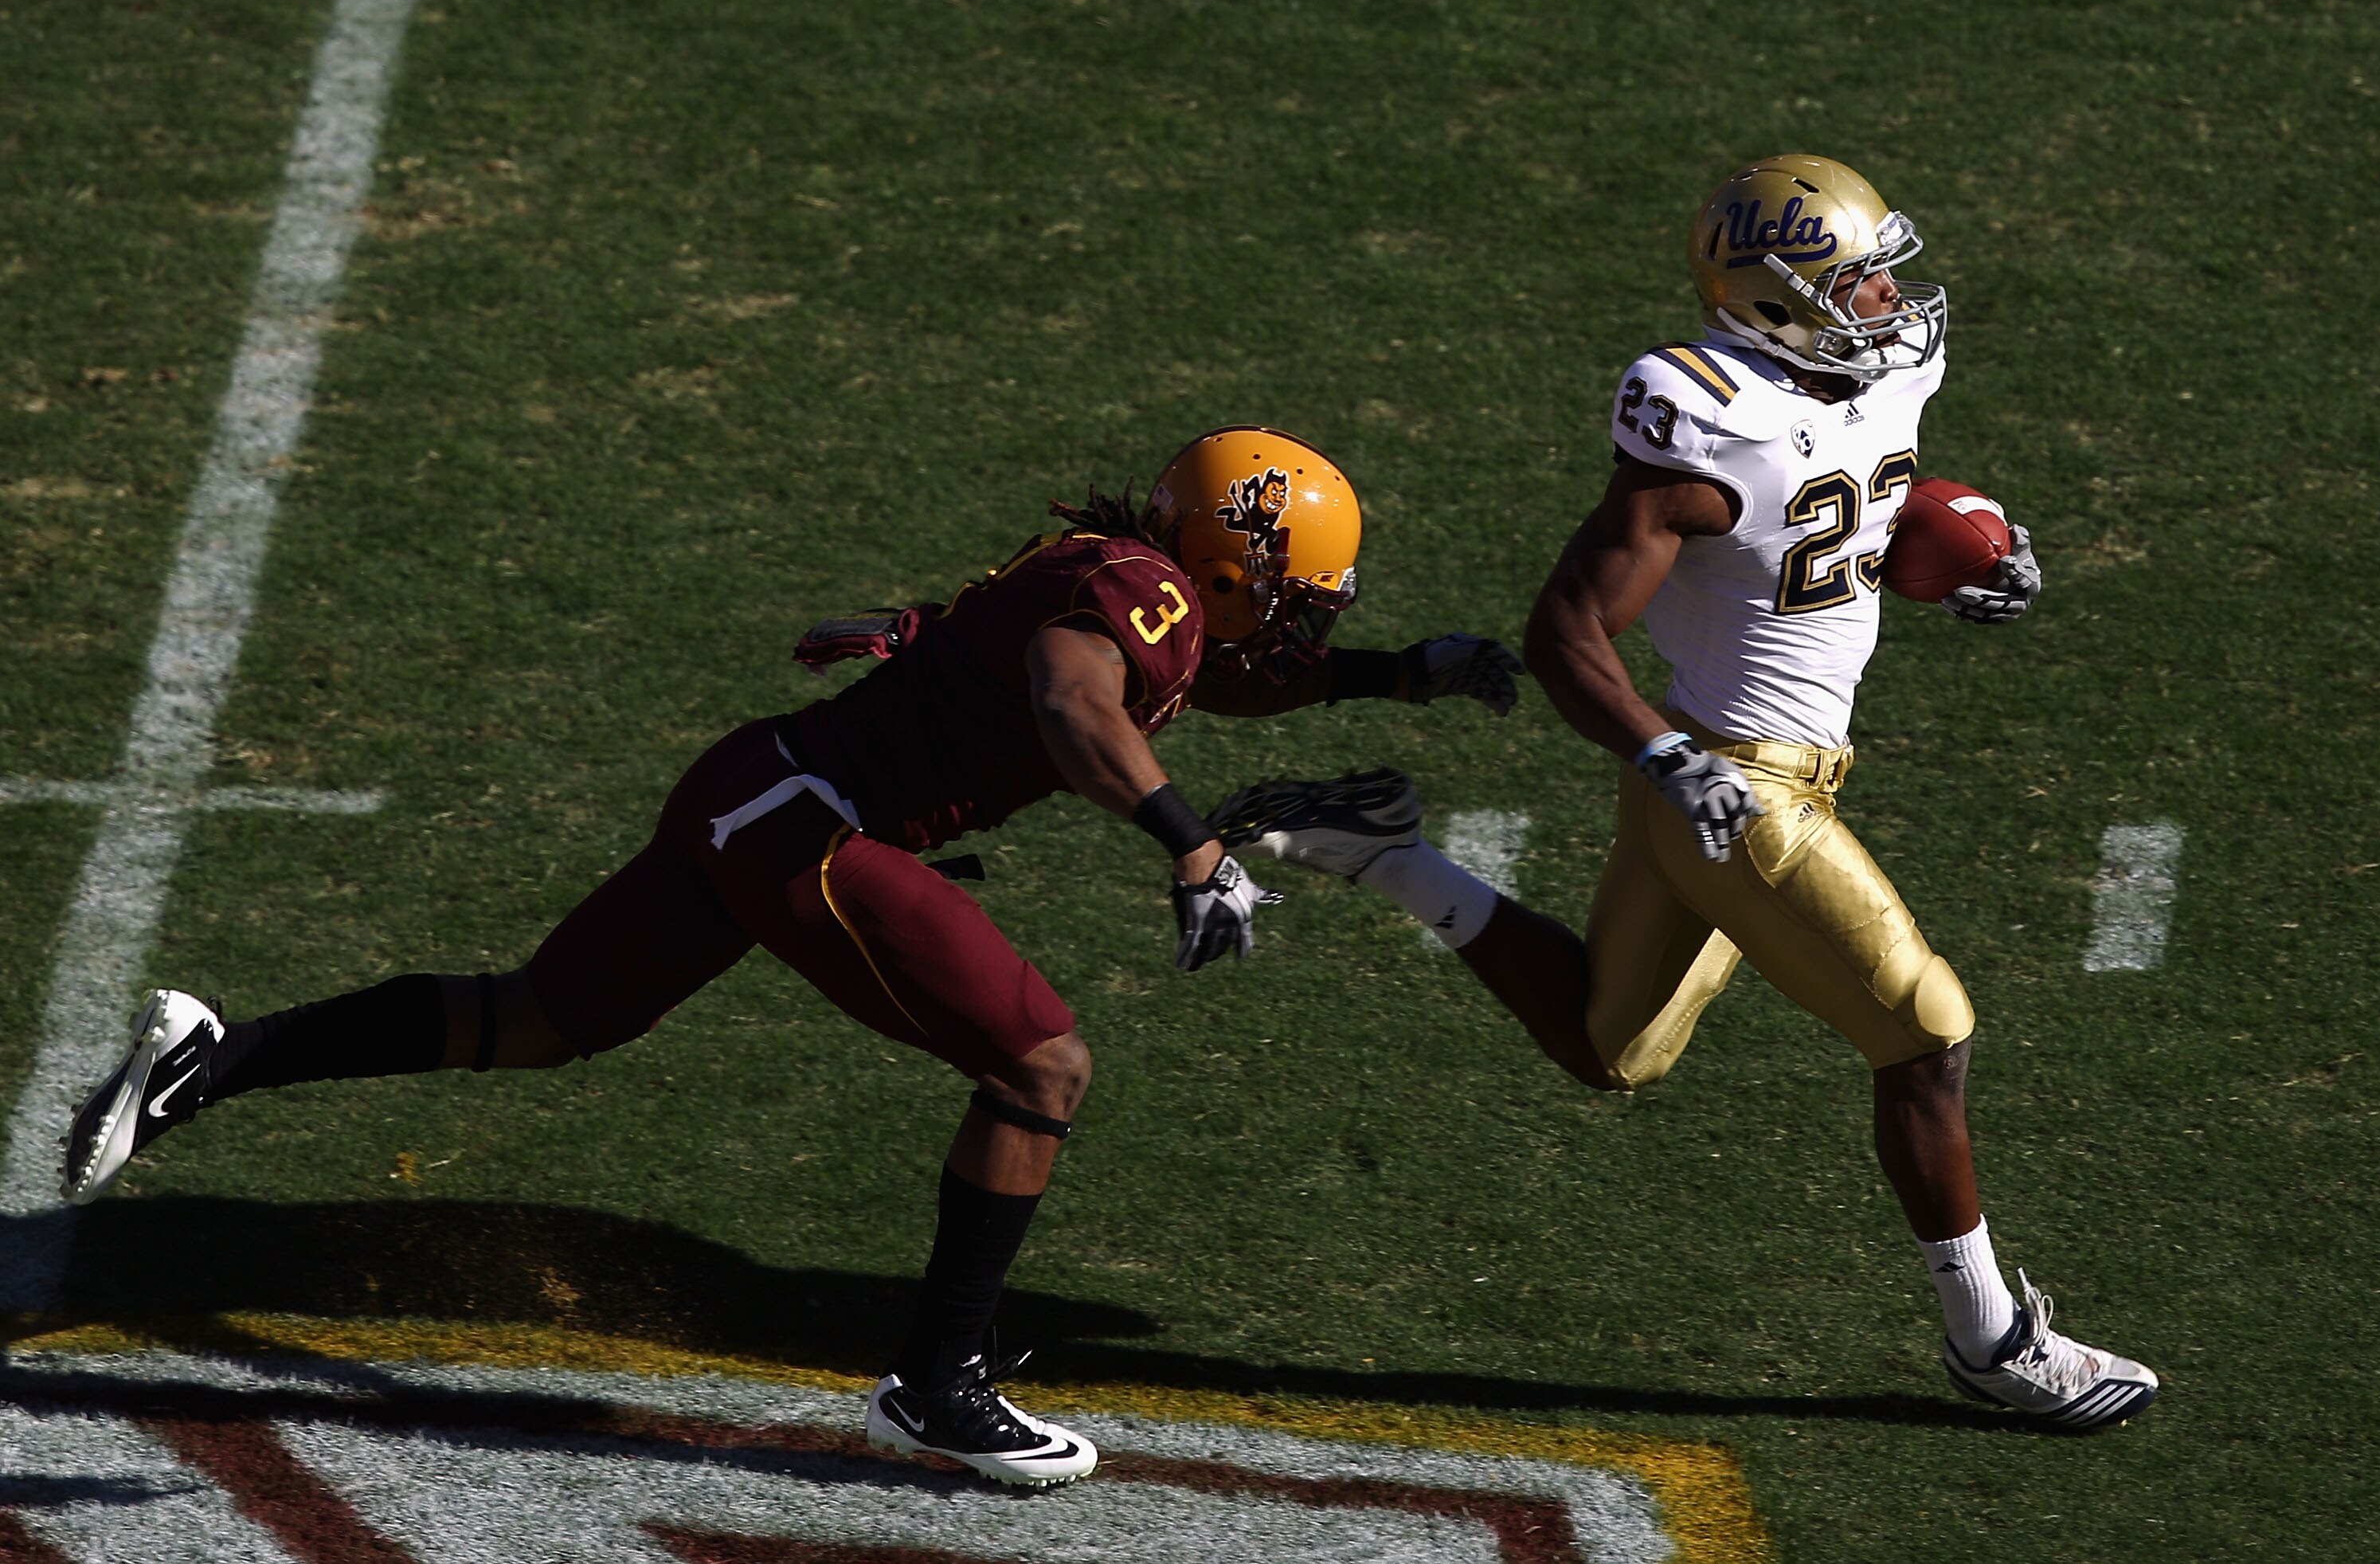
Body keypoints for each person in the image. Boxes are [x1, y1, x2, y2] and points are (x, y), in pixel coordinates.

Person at [60, 425, 1523, 1487]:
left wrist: (1399, 674)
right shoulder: (1139, 600)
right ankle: (938, 1379)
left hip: (756, 794)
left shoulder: (1142, 581)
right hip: (810, 822)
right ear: (1234, 555)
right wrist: (1192, 846)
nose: (1305, 618)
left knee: (543, 1018)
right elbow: (1085, 704)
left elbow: (1178, 675)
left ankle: (215, 1053)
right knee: (1042, 1060)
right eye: (1302, 590)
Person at [1212, 157, 2159, 1431]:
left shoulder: (1884, 372)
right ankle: (1993, 1340)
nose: (1890, 292)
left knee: (1616, 1047)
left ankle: (1379, 848)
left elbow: (1856, 507)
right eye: (1857, 275)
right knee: (1928, 1034)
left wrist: (1967, 549)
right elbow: (1567, 629)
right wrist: (1669, 758)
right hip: (1733, 781)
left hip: (1750, 780)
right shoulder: (1706, 418)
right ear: (1775, 299)